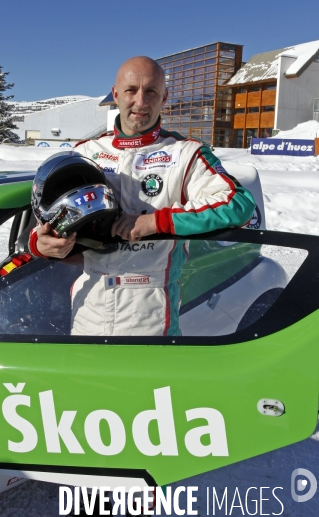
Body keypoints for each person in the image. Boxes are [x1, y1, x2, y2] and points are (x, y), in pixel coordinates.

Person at [30, 56, 255, 336]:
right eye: (130, 90)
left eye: (151, 91)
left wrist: (155, 223)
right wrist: (42, 244)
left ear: (164, 96)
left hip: (152, 314)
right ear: (115, 94)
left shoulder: (186, 154)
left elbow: (239, 205)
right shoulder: (86, 153)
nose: (140, 101)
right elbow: (48, 217)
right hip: (89, 307)